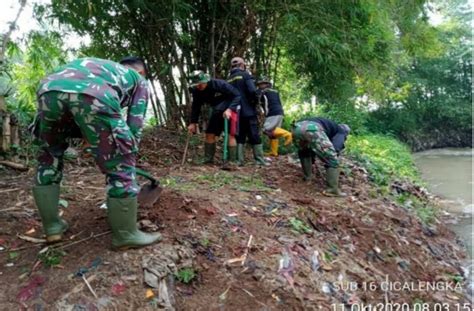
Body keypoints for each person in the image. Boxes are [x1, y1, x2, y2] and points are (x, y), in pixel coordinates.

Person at [31, 57, 161, 250]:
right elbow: (135, 125)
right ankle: (126, 235)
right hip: (94, 94)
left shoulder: (102, 69)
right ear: (141, 72)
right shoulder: (139, 80)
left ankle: (52, 227)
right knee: (120, 166)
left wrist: (93, 137)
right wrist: (125, 157)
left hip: (48, 90)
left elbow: (74, 108)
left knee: (49, 157)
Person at [187, 70, 240, 164]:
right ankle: (208, 159)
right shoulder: (197, 91)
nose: (198, 86)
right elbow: (196, 106)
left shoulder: (219, 84)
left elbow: (237, 95)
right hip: (216, 111)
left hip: (229, 110)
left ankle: (232, 161)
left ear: (205, 80)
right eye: (196, 85)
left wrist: (230, 109)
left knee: (230, 135)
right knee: (209, 134)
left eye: (200, 84)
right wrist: (193, 122)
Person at [292, 117, 351, 196]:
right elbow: (336, 148)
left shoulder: (330, 125)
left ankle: (307, 178)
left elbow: (312, 147)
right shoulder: (342, 131)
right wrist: (330, 161)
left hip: (296, 128)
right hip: (312, 128)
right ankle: (332, 190)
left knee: (304, 152)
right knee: (332, 159)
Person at [227, 57, 266, 165]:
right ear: (242, 65)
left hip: (235, 112)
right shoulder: (245, 75)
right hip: (248, 110)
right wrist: (256, 102)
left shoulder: (229, 78)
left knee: (240, 135)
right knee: (254, 134)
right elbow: (252, 91)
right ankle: (259, 160)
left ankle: (239, 160)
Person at [256, 76, 292, 156]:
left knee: (265, 130)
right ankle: (274, 152)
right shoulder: (275, 91)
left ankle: (288, 134)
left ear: (266, 84)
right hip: (279, 112)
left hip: (272, 113)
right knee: (273, 132)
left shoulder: (262, 92)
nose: (259, 86)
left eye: (261, 84)